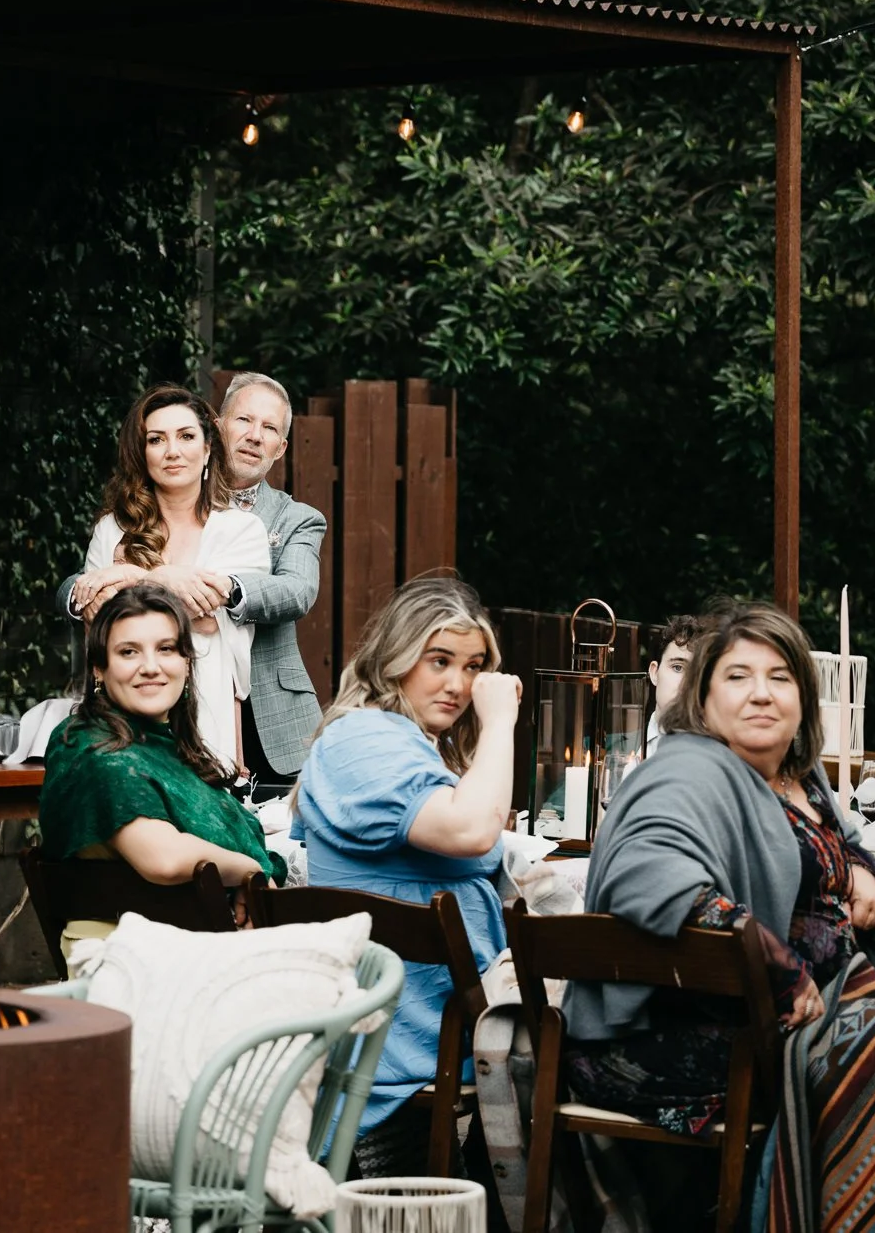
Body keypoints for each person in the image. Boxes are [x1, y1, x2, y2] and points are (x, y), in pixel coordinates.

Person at [564, 601, 875, 1233]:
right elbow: (646, 876)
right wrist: (778, 969)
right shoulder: (689, 769)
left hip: (784, 1021)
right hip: (676, 1034)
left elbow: (847, 847)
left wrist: (866, 869)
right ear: (702, 698)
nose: (761, 693)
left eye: (780, 677)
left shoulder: (798, 774)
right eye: (737, 676)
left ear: (803, 698)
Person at [291, 576, 519, 1175]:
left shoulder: (409, 744)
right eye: (438, 660)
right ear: (395, 657)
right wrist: (500, 725)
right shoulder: (364, 738)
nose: (459, 685)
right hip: (399, 1045)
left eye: (473, 667)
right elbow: (472, 831)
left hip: (432, 1027)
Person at [39, 584, 286, 956]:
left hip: (199, 950)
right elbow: (164, 859)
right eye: (128, 652)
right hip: (126, 961)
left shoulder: (170, 748)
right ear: (99, 670)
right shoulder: (92, 750)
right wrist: (252, 870)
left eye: (166, 649)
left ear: (186, 663)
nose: (151, 667)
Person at [63, 385, 269, 774]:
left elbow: (206, 616)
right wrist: (169, 583)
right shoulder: (112, 529)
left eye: (186, 437)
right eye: (156, 440)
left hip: (206, 712)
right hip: (123, 714)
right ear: (142, 454)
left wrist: (133, 574)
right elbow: (101, 619)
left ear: (208, 449)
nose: (172, 451)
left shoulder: (241, 531)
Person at [645, 613, 699, 750]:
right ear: (654, 673)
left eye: (696, 673)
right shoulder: (616, 745)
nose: (686, 683)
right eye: (677, 667)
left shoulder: (717, 753)